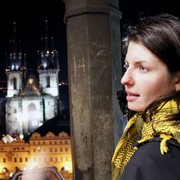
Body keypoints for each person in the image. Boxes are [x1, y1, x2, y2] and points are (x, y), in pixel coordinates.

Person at [112, 13, 180, 180]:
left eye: (142, 68)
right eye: (127, 66)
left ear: (177, 79)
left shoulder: (152, 159)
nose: (124, 79)